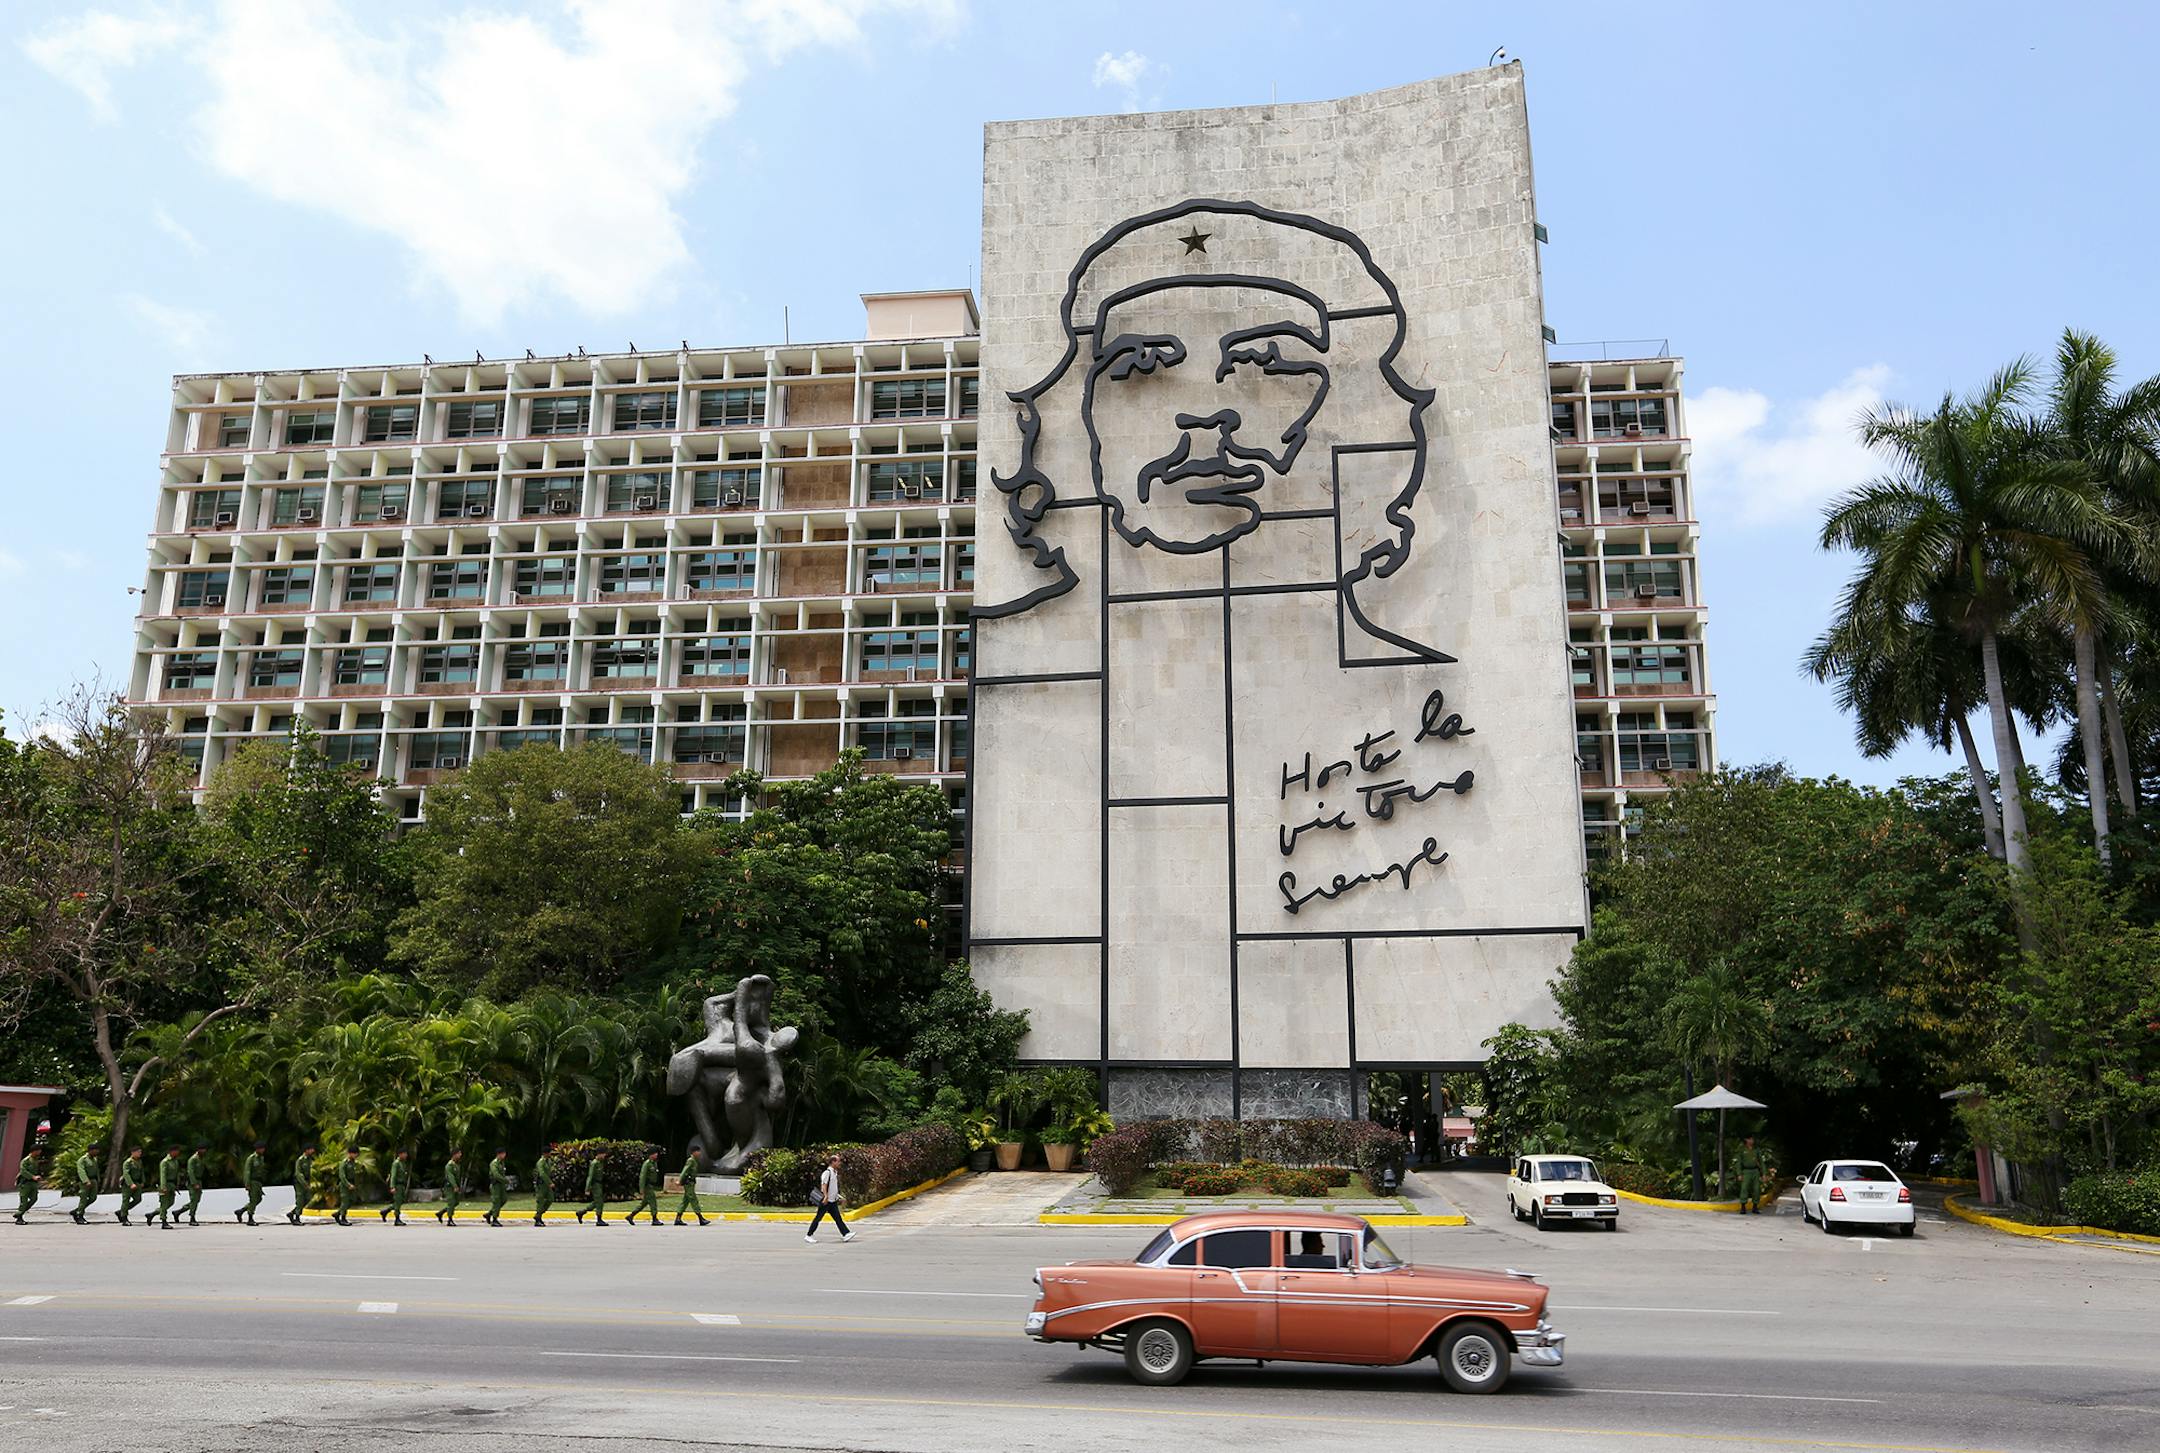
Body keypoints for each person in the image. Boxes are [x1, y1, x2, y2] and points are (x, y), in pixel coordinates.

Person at [805, 1154, 853, 1243]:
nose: (839, 1163)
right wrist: (826, 1197)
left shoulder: (834, 1173)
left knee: (838, 1219)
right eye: (838, 1161)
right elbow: (824, 1185)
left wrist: (839, 1197)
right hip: (826, 1201)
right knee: (818, 1218)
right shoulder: (827, 1173)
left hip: (832, 1201)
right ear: (833, 1162)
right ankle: (809, 1235)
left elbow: (833, 1188)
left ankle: (846, 1234)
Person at [674, 1147, 709, 1227]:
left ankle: (678, 1219)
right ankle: (701, 1219)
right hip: (688, 1183)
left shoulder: (694, 1160)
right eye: (698, 1151)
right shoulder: (691, 1160)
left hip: (691, 1183)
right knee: (693, 1200)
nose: (699, 1153)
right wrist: (680, 1181)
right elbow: (685, 1170)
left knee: (685, 1201)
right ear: (694, 1152)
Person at [153, 1146, 183, 1229]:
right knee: (164, 1203)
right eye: (176, 1151)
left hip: (172, 1185)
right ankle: (164, 1221)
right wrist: (163, 1187)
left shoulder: (175, 1161)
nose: (178, 1153)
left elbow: (176, 1174)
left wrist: (177, 1185)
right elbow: (163, 1175)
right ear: (171, 1151)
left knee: (171, 1202)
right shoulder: (165, 1162)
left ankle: (153, 1213)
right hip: (165, 1184)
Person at [575, 1153, 608, 1226]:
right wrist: (587, 1188)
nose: (604, 1156)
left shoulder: (601, 1162)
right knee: (599, 1202)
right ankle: (599, 1220)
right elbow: (590, 1176)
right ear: (599, 1154)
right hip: (595, 1184)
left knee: (598, 1201)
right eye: (603, 1154)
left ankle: (581, 1212)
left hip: (599, 1184)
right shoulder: (594, 1163)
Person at [380, 1149, 412, 1225]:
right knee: (397, 1202)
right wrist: (392, 1187)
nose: (406, 1155)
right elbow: (393, 1176)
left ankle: (385, 1211)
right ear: (400, 1154)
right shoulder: (396, 1163)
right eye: (404, 1154)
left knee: (400, 1201)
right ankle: (397, 1219)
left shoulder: (403, 1163)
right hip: (397, 1185)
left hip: (402, 1185)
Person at [435, 1150, 465, 1226]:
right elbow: (450, 1177)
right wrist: (454, 1186)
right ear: (454, 1155)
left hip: (455, 1186)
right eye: (459, 1153)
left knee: (456, 1202)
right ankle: (450, 1220)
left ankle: (441, 1213)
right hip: (449, 1187)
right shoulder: (449, 1165)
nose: (460, 1155)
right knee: (451, 1202)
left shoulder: (456, 1164)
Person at [1736, 1136, 1765, 1215]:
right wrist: (1739, 1174)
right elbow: (1739, 1163)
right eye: (1750, 1139)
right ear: (1746, 1140)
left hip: (1755, 1171)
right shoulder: (1742, 1150)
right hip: (1746, 1171)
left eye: (1753, 1139)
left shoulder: (1756, 1150)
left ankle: (1755, 1207)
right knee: (1744, 1188)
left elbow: (1761, 1162)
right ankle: (1743, 1207)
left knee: (1756, 1189)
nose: (1752, 1140)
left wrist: (1763, 1174)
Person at [238, 1144, 266, 1226]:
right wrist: (247, 1183)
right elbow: (247, 1171)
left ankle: (241, 1211)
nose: (262, 1150)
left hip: (258, 1182)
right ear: (257, 1149)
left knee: (259, 1199)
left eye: (263, 1148)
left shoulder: (261, 1158)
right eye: (261, 1148)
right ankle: (250, 1219)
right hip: (252, 1181)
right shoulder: (251, 1158)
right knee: (253, 1199)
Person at [117, 1147, 146, 1225]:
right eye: (138, 1152)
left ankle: (120, 1211)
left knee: (138, 1199)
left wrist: (142, 1181)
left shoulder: (139, 1161)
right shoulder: (128, 1162)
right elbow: (126, 1174)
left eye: (140, 1152)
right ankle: (124, 1218)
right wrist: (131, 1184)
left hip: (137, 1182)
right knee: (126, 1200)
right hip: (127, 1184)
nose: (140, 1153)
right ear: (133, 1152)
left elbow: (141, 1172)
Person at [182, 1145, 209, 1226]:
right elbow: (191, 1172)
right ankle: (192, 1218)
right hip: (193, 1182)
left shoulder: (201, 1159)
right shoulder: (193, 1159)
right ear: (199, 1150)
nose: (204, 1151)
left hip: (199, 1181)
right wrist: (194, 1183)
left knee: (197, 1200)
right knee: (194, 1199)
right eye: (203, 1149)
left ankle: (179, 1211)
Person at [289, 1146, 316, 1226]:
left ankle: (292, 1213)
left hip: (307, 1182)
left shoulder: (310, 1160)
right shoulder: (300, 1160)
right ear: (306, 1150)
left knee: (307, 1199)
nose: (313, 1151)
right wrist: (304, 1184)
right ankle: (297, 1218)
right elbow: (298, 1174)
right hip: (299, 1183)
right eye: (311, 1149)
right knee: (300, 1200)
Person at [13, 1148, 41, 1224]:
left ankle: (19, 1213)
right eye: (38, 1150)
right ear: (34, 1151)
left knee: (34, 1199)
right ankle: (19, 1218)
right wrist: (33, 1177)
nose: (39, 1152)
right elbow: (23, 1171)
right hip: (25, 1183)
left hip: (33, 1183)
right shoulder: (26, 1160)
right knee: (23, 1201)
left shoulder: (35, 1160)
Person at [483, 1150, 511, 1227]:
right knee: (496, 1201)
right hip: (495, 1185)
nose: (504, 1155)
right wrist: (505, 1180)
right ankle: (494, 1219)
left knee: (504, 1199)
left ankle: (489, 1214)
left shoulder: (501, 1163)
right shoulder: (494, 1163)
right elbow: (496, 1175)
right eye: (503, 1154)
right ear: (499, 1154)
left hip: (501, 1185)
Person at [334, 1148, 360, 1226]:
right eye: (355, 1153)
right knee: (345, 1202)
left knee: (352, 1200)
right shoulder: (344, 1163)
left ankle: (337, 1213)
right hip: (345, 1185)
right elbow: (342, 1176)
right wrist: (348, 1185)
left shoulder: (353, 1162)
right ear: (350, 1153)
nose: (356, 1155)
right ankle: (343, 1218)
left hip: (352, 1184)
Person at [72, 1150, 99, 1225]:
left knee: (93, 1198)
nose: (97, 1152)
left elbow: (96, 1171)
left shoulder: (94, 1159)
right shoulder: (82, 1159)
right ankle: (79, 1215)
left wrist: (98, 1180)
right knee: (83, 1198)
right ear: (90, 1150)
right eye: (95, 1150)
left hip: (93, 1180)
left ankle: (77, 1210)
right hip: (85, 1182)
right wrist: (86, 1181)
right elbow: (81, 1171)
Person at [530, 1151, 555, 1227]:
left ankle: (538, 1214)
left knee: (550, 1199)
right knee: (540, 1201)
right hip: (541, 1185)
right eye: (549, 1153)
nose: (550, 1154)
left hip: (546, 1184)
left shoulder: (549, 1161)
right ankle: (538, 1219)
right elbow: (542, 1174)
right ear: (545, 1153)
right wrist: (549, 1182)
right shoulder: (540, 1162)